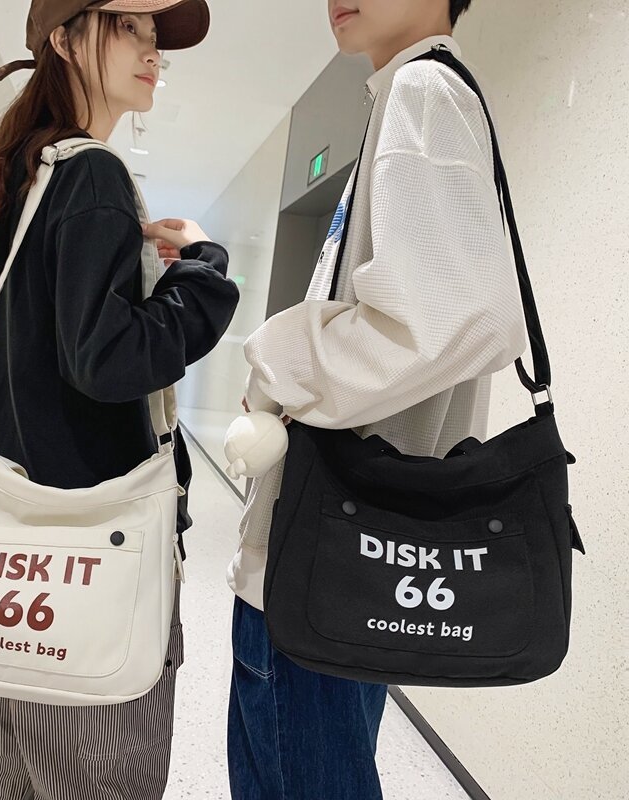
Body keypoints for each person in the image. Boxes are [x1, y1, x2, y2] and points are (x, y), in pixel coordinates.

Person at [0, 2, 239, 798]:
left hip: (6, 563)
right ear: (64, 39)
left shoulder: (30, 173)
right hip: (90, 559)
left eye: (156, 37)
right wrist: (203, 270)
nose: (153, 51)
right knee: (98, 771)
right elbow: (107, 362)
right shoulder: (95, 174)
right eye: (129, 26)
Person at [227, 1, 527, 798]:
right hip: (346, 553)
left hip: (329, 556)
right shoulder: (407, 92)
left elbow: (462, 317)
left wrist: (282, 355)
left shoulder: (422, 89)